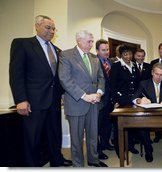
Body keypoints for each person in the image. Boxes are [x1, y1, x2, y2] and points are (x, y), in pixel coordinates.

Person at [9, 15, 72, 167]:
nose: (51, 31)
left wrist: (62, 94)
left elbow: (57, 77)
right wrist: (20, 100)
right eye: (48, 27)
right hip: (33, 101)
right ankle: (32, 166)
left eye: (53, 29)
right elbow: (16, 74)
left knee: (54, 133)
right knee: (33, 136)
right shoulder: (22, 44)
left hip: (54, 101)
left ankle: (56, 159)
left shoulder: (58, 50)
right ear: (37, 26)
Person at [58, 30, 107, 167]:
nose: (92, 44)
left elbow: (101, 78)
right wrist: (84, 96)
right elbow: (65, 79)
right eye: (89, 41)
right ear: (79, 40)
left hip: (94, 102)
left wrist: (98, 93)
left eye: (92, 41)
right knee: (77, 138)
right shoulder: (66, 55)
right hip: (76, 103)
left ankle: (93, 159)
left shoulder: (94, 58)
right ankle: (78, 165)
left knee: (93, 135)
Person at [132, 63, 162, 163]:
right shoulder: (144, 83)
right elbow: (134, 98)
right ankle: (148, 149)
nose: (159, 77)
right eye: (157, 74)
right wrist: (139, 100)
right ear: (152, 73)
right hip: (148, 117)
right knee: (140, 128)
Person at [109, 44, 140, 156]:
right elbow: (112, 86)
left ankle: (130, 146)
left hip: (132, 101)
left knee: (131, 125)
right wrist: (115, 101)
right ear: (121, 55)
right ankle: (120, 149)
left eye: (130, 54)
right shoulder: (116, 66)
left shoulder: (134, 65)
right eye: (125, 54)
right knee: (119, 126)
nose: (128, 56)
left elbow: (137, 85)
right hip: (121, 101)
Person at [95, 39, 115, 160]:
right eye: (103, 50)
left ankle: (105, 143)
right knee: (97, 126)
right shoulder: (94, 61)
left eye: (107, 49)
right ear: (97, 50)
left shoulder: (111, 61)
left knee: (107, 124)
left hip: (110, 100)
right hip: (99, 99)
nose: (106, 52)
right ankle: (98, 150)